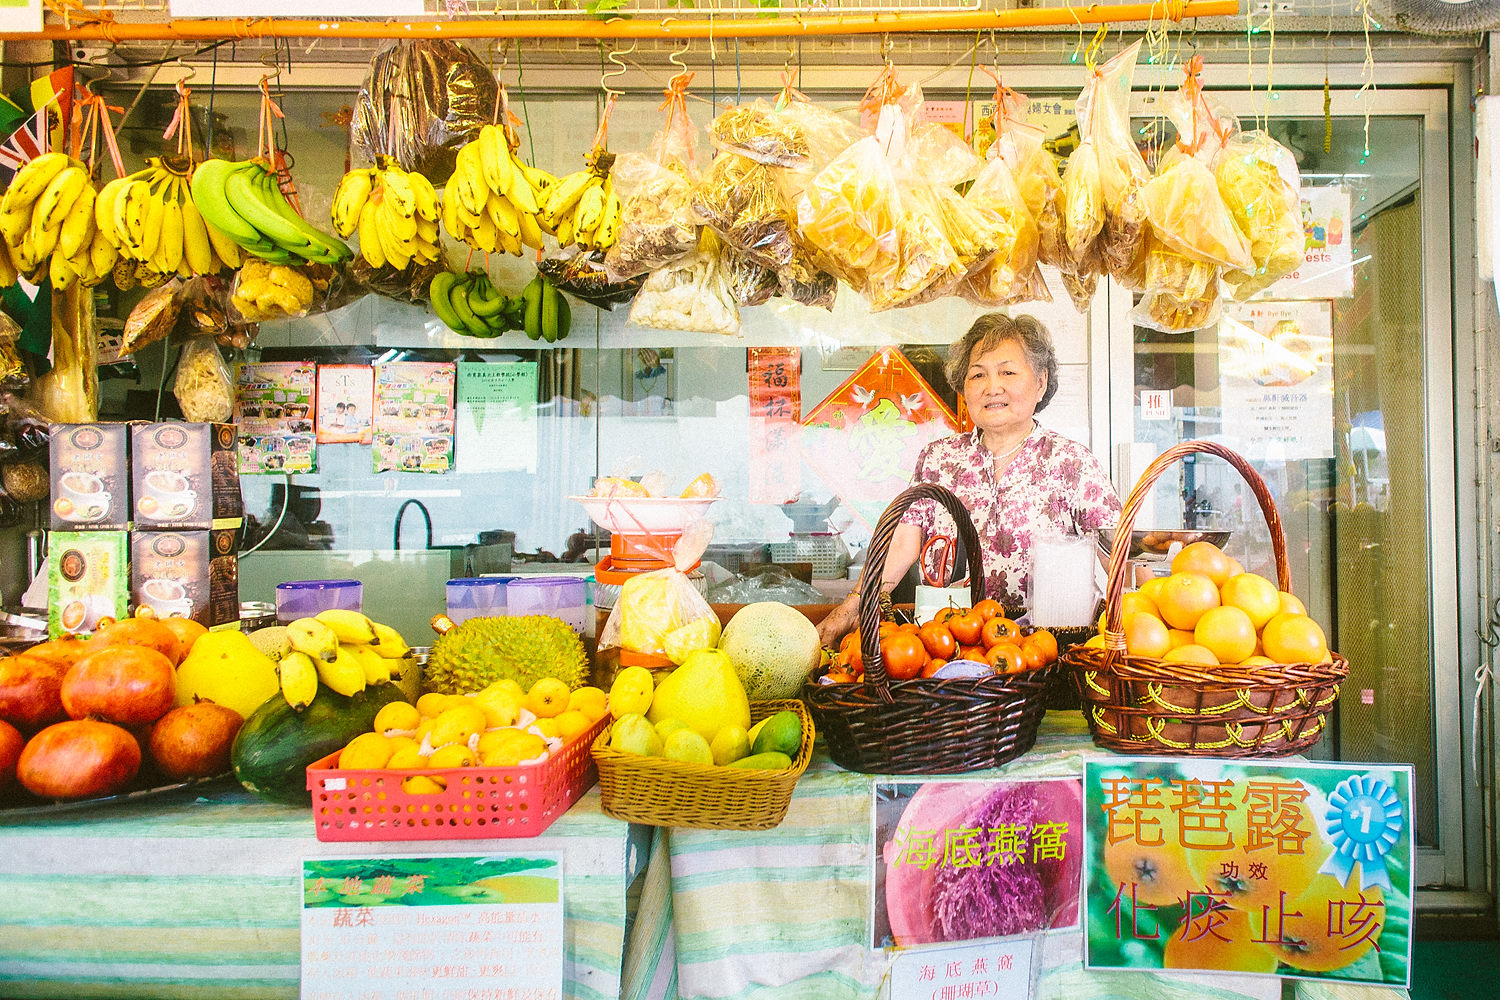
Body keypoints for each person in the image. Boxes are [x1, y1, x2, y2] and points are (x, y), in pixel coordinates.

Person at [816, 313, 1121, 646]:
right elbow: (902, 544)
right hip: (949, 651)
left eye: (1008, 372)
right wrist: (852, 606)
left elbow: (1118, 556)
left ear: (1041, 382)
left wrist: (1150, 617)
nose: (992, 387)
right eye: (978, 375)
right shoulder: (938, 459)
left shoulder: (1071, 462)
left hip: (1045, 654)